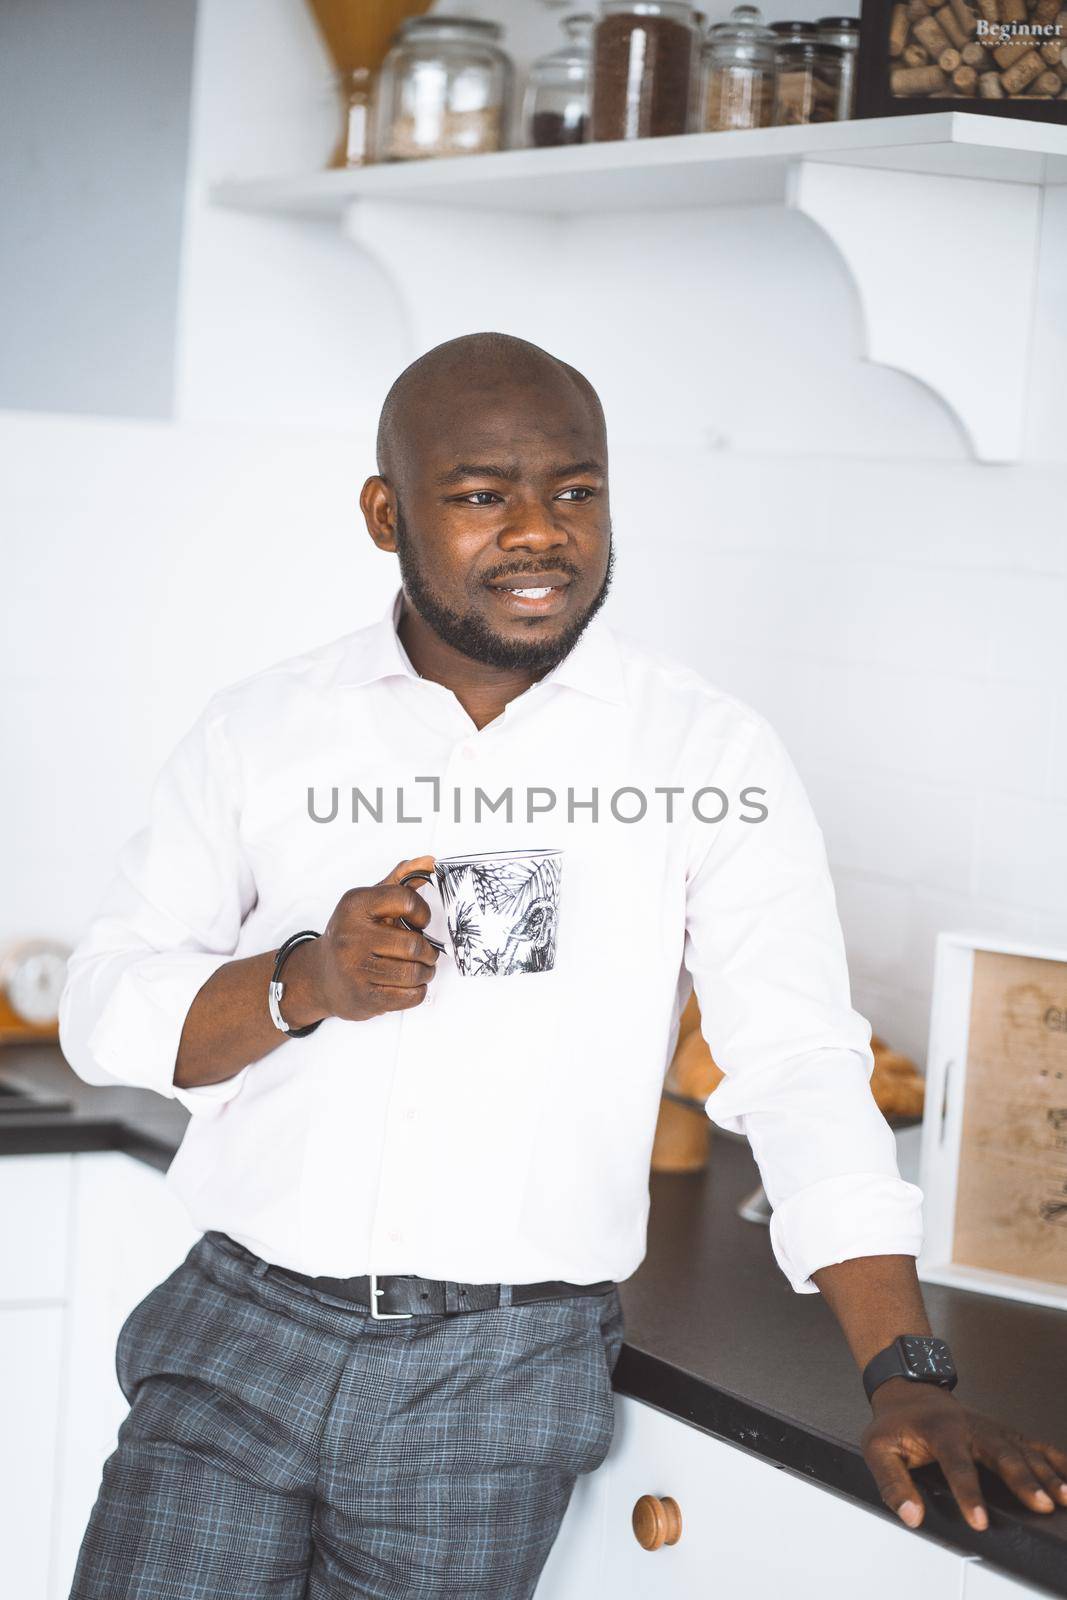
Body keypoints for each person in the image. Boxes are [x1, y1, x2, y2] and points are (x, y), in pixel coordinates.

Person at [60, 333, 1067, 1599]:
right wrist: (301, 982)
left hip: (497, 1375)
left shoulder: (706, 754)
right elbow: (103, 1011)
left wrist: (904, 1373)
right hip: (237, 1335)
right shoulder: (263, 729)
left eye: (574, 491)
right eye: (483, 493)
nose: (538, 532)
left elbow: (801, 1064)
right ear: (387, 513)